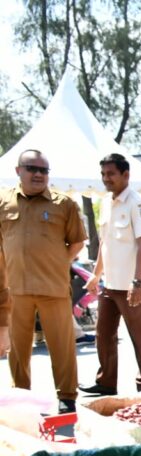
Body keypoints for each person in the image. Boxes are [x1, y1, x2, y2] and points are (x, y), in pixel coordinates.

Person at [0, 150, 87, 413]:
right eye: (32, 168)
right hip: (15, 290)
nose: (38, 174)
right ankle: (21, 397)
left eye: (44, 170)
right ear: (18, 171)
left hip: (53, 288)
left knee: (61, 346)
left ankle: (67, 397)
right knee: (17, 350)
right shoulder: (3, 202)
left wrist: (59, 263)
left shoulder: (65, 205)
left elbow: (78, 241)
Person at [79, 153, 141, 396]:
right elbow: (105, 243)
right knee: (104, 334)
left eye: (111, 174)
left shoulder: (137, 203)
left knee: (138, 336)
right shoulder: (107, 204)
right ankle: (106, 383)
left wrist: (137, 281)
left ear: (126, 175)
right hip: (110, 284)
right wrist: (95, 275)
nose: (106, 179)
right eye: (103, 174)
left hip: (133, 285)